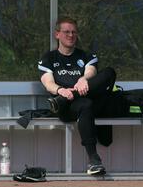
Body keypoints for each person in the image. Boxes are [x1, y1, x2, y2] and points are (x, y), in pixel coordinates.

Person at [38, 16, 117, 176]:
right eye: (66, 32)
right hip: (66, 106)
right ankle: (94, 159)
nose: (70, 35)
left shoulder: (85, 55)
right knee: (84, 104)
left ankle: (94, 162)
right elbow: (48, 83)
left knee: (109, 73)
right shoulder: (49, 58)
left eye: (74, 32)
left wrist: (83, 79)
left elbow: (91, 71)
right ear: (57, 34)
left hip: (85, 98)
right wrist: (61, 90)